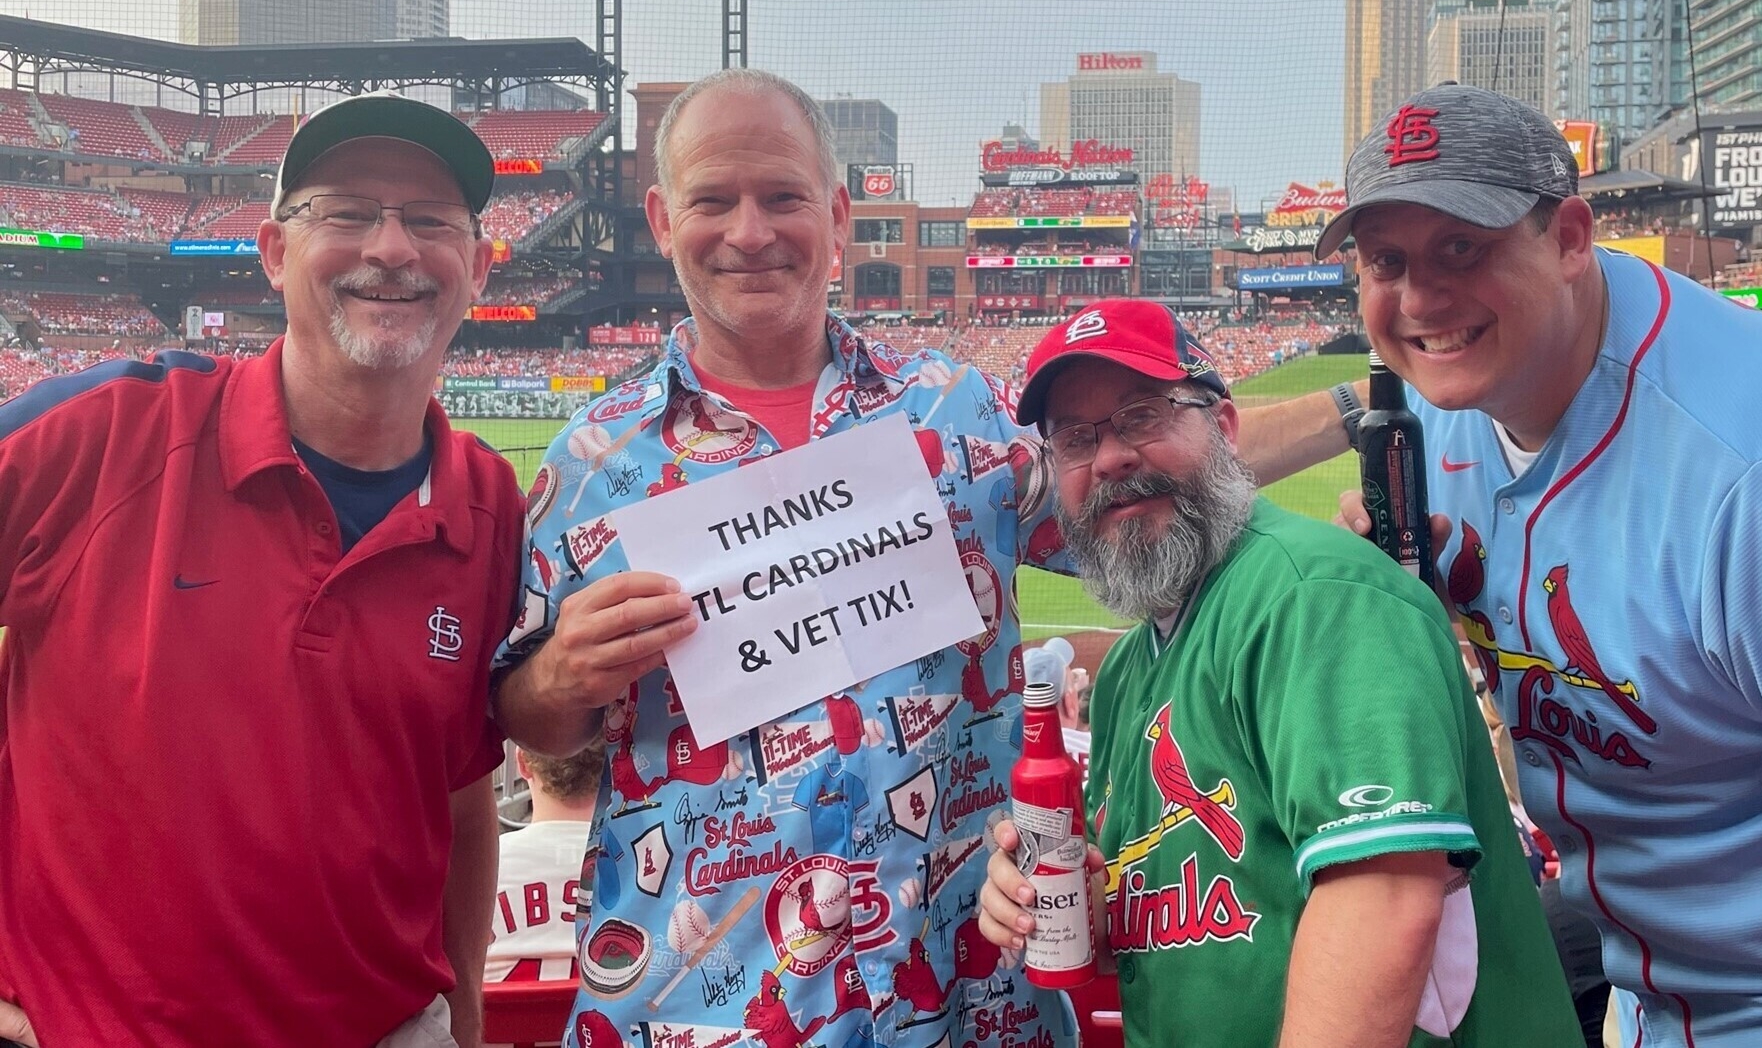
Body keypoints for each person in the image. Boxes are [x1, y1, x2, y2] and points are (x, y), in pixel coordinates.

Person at [490, 68, 1355, 1047]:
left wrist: (1361, 410)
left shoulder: (953, 407)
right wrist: (561, 673)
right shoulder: (593, 461)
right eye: (713, 201)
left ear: (839, 214)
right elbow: (515, 706)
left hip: (966, 994)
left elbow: (1146, 475)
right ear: (660, 217)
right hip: (708, 1005)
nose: (750, 231)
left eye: (782, 197)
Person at [1322, 82, 1762, 1048]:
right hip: (1657, 982)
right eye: (1385, 261)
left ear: (1569, 238)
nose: (1420, 297)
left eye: (1461, 248)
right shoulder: (1456, 402)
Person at [0, 93, 517, 1048]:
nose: (394, 248)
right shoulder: (105, 434)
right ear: (277, 252)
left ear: (478, 269)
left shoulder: (487, 503)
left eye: (430, 221)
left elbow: (459, 789)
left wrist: (469, 1010)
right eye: (349, 212)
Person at [974, 300, 1580, 1047]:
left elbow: (1383, 901)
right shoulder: (1133, 669)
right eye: (1075, 438)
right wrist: (1083, 910)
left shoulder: (1315, 596)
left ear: (1226, 431)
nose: (1110, 458)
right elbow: (1203, 918)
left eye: (1141, 416)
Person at [488, 743, 603, 983]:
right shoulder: (647, 866)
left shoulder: (477, 870)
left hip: (496, 1021)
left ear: (522, 764)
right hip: (606, 1020)